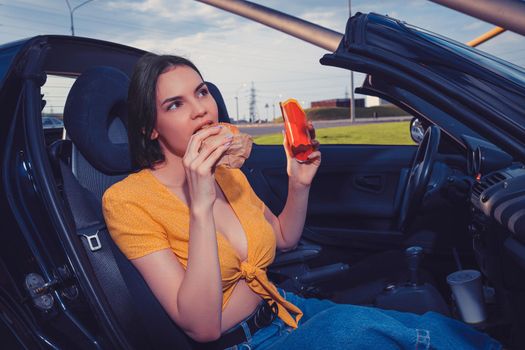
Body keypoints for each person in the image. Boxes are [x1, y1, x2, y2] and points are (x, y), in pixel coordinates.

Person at [102, 53, 501, 350]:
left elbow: (283, 239)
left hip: (284, 309)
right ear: (150, 128)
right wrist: (201, 204)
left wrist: (299, 183)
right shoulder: (127, 201)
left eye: (201, 92)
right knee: (376, 331)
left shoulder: (228, 170)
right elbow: (203, 327)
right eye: (175, 104)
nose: (201, 110)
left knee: (421, 324)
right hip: (242, 343)